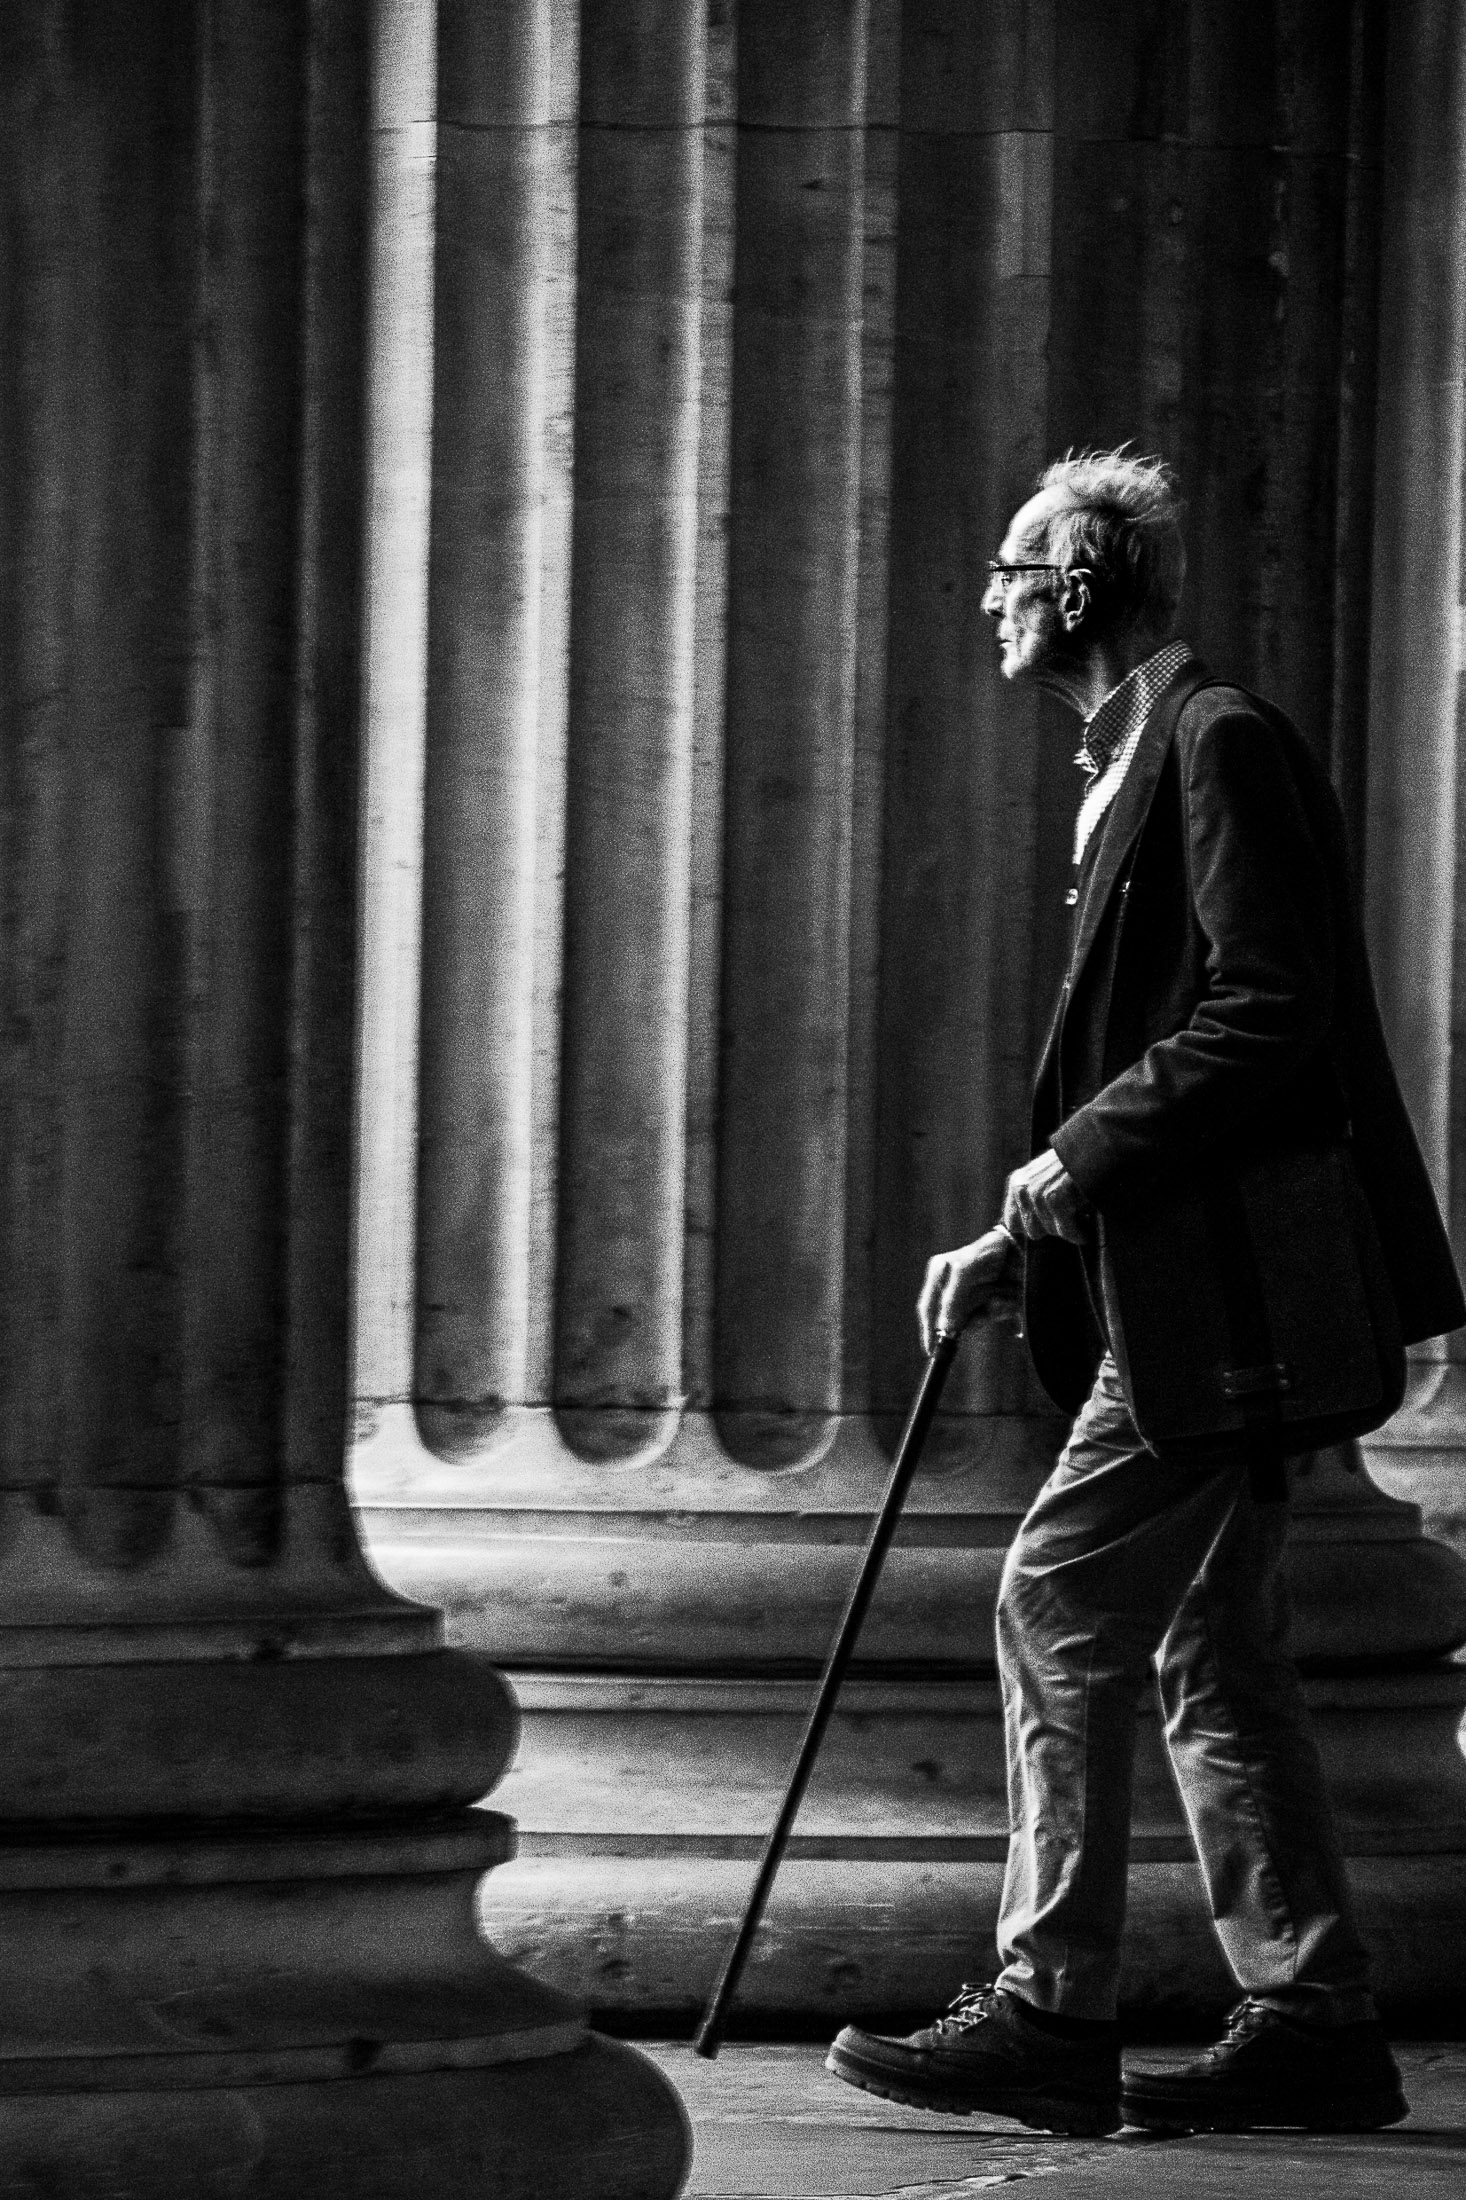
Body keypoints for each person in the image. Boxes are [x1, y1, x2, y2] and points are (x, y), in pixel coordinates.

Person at [825, 449, 1465, 2138]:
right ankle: (1315, 2016)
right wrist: (1019, 1228)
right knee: (1215, 1645)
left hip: (1218, 1310)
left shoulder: (1214, 741)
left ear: (1079, 589)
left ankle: (1050, 2006)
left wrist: (1068, 1166)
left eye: (1005, 572)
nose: (984, 600)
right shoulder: (1134, 763)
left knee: (1052, 1601)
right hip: (1174, 1290)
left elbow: (1267, 1012)